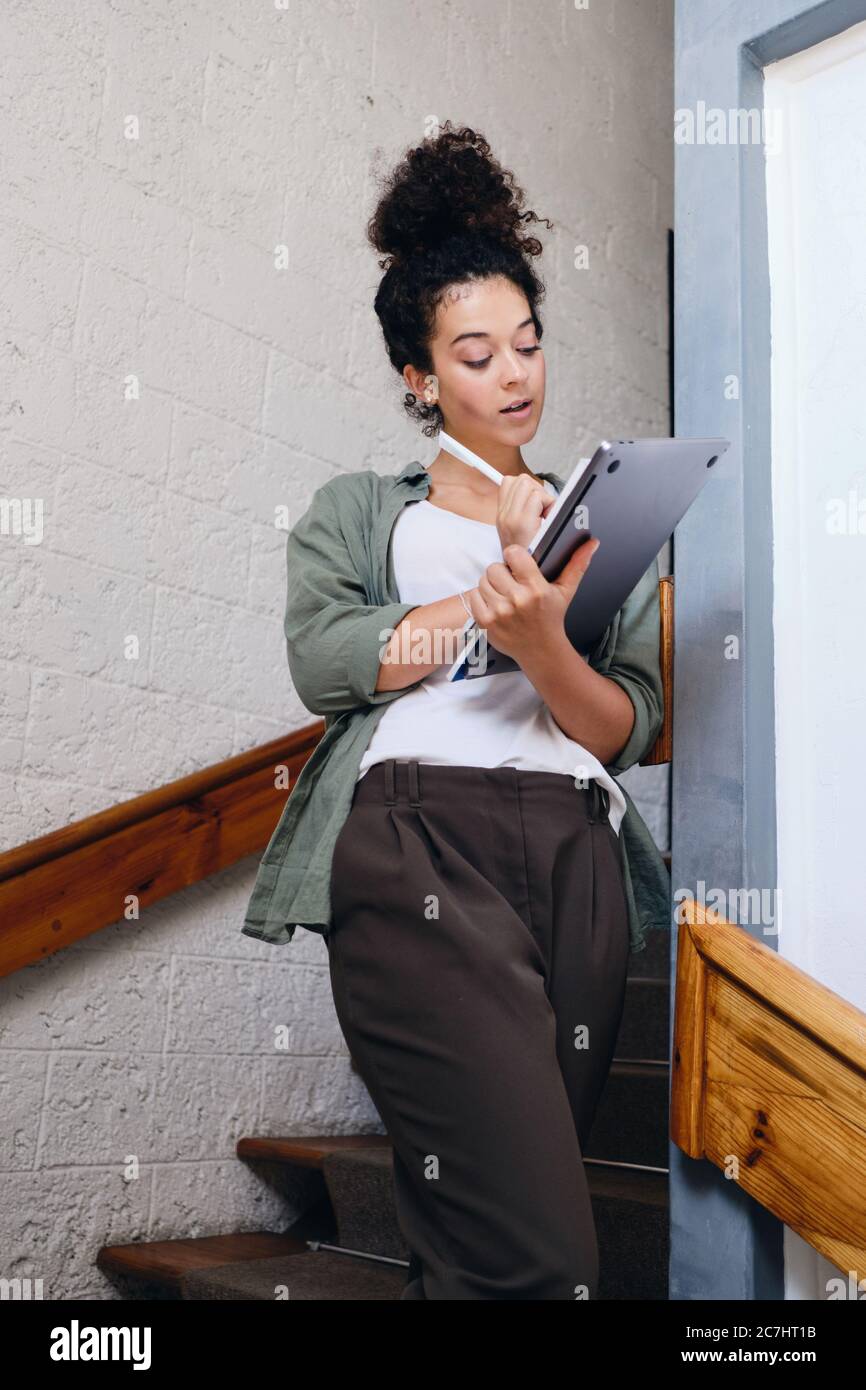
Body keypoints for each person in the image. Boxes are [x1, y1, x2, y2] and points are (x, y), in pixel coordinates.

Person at [241, 121, 670, 1300]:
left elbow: (621, 725)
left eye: (527, 343)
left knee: (481, 1226)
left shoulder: (596, 514)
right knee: (538, 1258)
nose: (515, 373)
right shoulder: (361, 511)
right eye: (475, 355)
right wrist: (477, 613)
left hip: (578, 858)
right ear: (419, 379)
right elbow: (324, 658)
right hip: (419, 839)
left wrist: (543, 634)